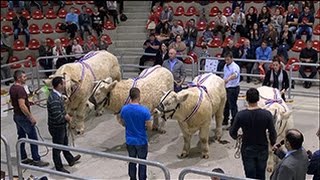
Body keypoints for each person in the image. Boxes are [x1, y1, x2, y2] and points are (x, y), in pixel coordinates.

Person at [229, 88, 277, 180]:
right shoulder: (267, 114)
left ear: (246, 99)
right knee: (261, 174)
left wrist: (238, 137)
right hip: (262, 148)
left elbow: (232, 132)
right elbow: (272, 133)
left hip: (247, 148)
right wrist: (272, 142)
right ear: (258, 99)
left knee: (250, 175)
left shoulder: (240, 115)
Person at [9, 70, 50, 167]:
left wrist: (28, 102)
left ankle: (23, 157)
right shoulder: (20, 90)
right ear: (19, 78)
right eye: (24, 77)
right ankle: (36, 159)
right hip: (23, 117)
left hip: (16, 116)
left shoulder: (12, 88)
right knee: (33, 138)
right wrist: (30, 117)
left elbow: (15, 102)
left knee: (21, 137)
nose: (26, 78)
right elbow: (22, 105)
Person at [47, 77, 81, 174]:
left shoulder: (58, 96)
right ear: (59, 85)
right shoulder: (54, 99)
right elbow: (57, 116)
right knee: (57, 147)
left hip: (61, 126)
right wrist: (66, 118)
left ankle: (70, 159)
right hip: (57, 127)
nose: (65, 85)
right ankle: (59, 167)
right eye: (63, 84)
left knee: (65, 143)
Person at [119, 87, 152, 180]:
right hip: (141, 140)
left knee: (132, 161)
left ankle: (132, 178)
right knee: (142, 162)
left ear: (130, 97)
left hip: (129, 140)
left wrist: (128, 125)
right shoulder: (144, 110)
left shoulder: (124, 109)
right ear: (139, 96)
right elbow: (150, 126)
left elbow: (121, 121)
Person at [222, 53, 240, 127]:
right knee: (225, 105)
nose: (226, 61)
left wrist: (228, 79)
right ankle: (225, 119)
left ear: (232, 59)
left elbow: (235, 75)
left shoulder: (235, 66)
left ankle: (234, 122)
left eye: (228, 59)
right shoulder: (225, 66)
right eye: (225, 60)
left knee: (233, 106)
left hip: (233, 88)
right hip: (226, 87)